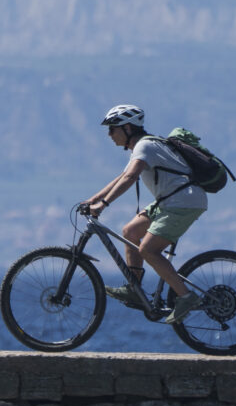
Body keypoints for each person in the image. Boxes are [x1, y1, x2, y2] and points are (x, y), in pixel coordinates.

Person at [77, 104, 205, 323]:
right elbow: (122, 177)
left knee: (148, 250)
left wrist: (103, 205)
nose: (109, 135)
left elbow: (130, 178)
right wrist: (93, 200)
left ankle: (186, 296)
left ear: (127, 128)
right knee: (130, 231)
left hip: (183, 202)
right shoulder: (143, 147)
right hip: (170, 201)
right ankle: (134, 289)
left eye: (112, 129)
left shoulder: (144, 146)